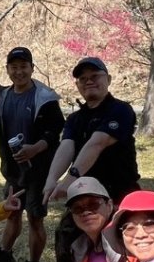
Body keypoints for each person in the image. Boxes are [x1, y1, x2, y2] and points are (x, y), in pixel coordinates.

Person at [0, 46, 65, 262]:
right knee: (12, 212)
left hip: (39, 171)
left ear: (32, 68)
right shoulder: (4, 95)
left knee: (35, 219)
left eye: (23, 67)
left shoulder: (45, 97)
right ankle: (5, 256)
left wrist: (35, 148)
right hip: (13, 171)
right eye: (14, 67)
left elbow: (55, 130)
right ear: (8, 69)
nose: (19, 72)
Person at [43, 56, 140, 204]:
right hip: (85, 193)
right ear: (77, 85)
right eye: (83, 79)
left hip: (119, 194)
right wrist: (51, 179)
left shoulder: (121, 110)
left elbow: (97, 143)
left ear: (108, 79)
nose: (88, 81)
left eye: (94, 76)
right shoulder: (74, 119)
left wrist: (68, 181)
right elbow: (66, 147)